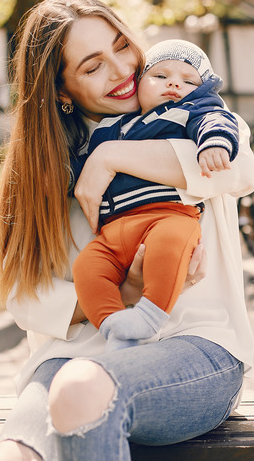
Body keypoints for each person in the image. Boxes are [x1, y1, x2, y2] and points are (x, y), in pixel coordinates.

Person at [0, 0, 254, 461]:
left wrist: (110, 157)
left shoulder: (193, 115)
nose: (121, 69)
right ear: (61, 91)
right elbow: (24, 297)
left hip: (193, 350)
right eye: (93, 67)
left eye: (121, 46)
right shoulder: (44, 169)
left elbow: (235, 169)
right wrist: (123, 292)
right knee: (15, 452)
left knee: (81, 387)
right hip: (69, 358)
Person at [71, 39, 240, 352]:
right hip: (114, 230)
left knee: (169, 246)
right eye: (160, 76)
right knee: (87, 266)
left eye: (189, 81)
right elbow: (80, 169)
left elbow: (216, 120)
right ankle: (114, 326)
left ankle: (148, 318)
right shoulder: (110, 126)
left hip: (169, 215)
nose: (174, 83)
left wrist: (215, 142)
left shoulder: (190, 112)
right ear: (138, 85)